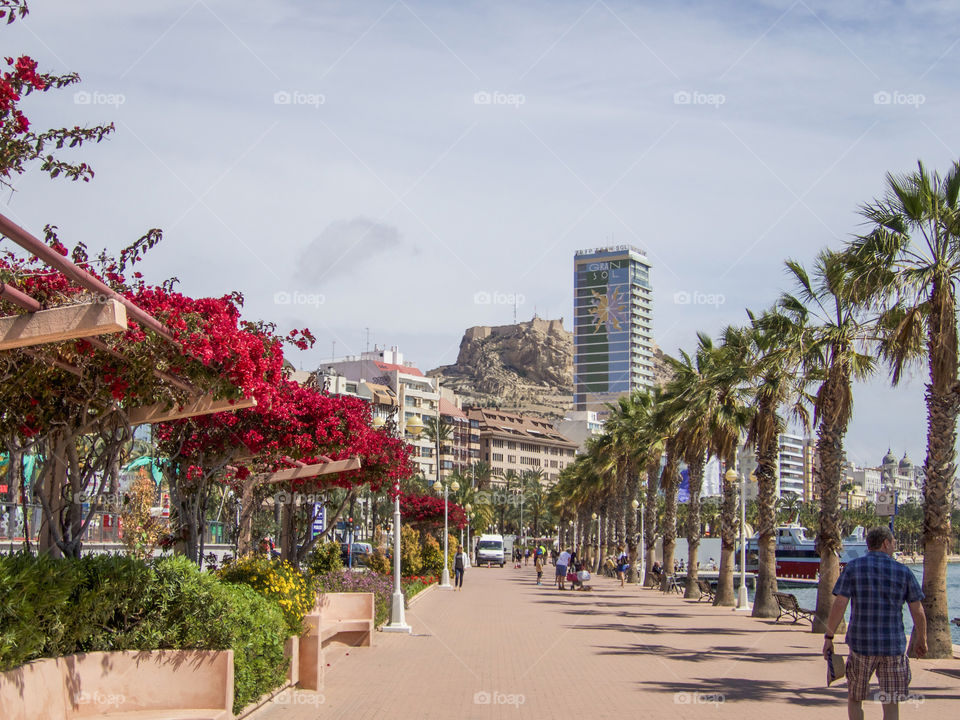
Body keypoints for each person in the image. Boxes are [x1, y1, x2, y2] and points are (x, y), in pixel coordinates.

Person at [822, 526, 926, 720]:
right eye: (893, 542)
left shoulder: (853, 568)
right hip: (892, 647)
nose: (894, 546)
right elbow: (917, 610)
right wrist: (922, 639)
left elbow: (840, 604)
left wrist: (829, 636)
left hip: (861, 646)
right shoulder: (903, 571)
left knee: (855, 698)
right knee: (891, 703)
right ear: (885, 543)